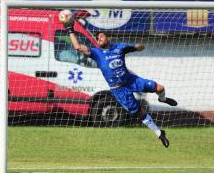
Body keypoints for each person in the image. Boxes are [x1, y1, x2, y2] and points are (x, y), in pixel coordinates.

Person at [62, 19, 177, 148]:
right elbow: (77, 47)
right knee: (139, 112)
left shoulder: (120, 47)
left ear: (108, 38)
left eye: (101, 36)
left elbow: (141, 47)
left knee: (159, 87)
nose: (98, 39)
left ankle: (163, 99)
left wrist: (135, 47)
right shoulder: (97, 53)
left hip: (131, 80)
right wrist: (70, 30)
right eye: (97, 38)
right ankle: (159, 133)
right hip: (119, 90)